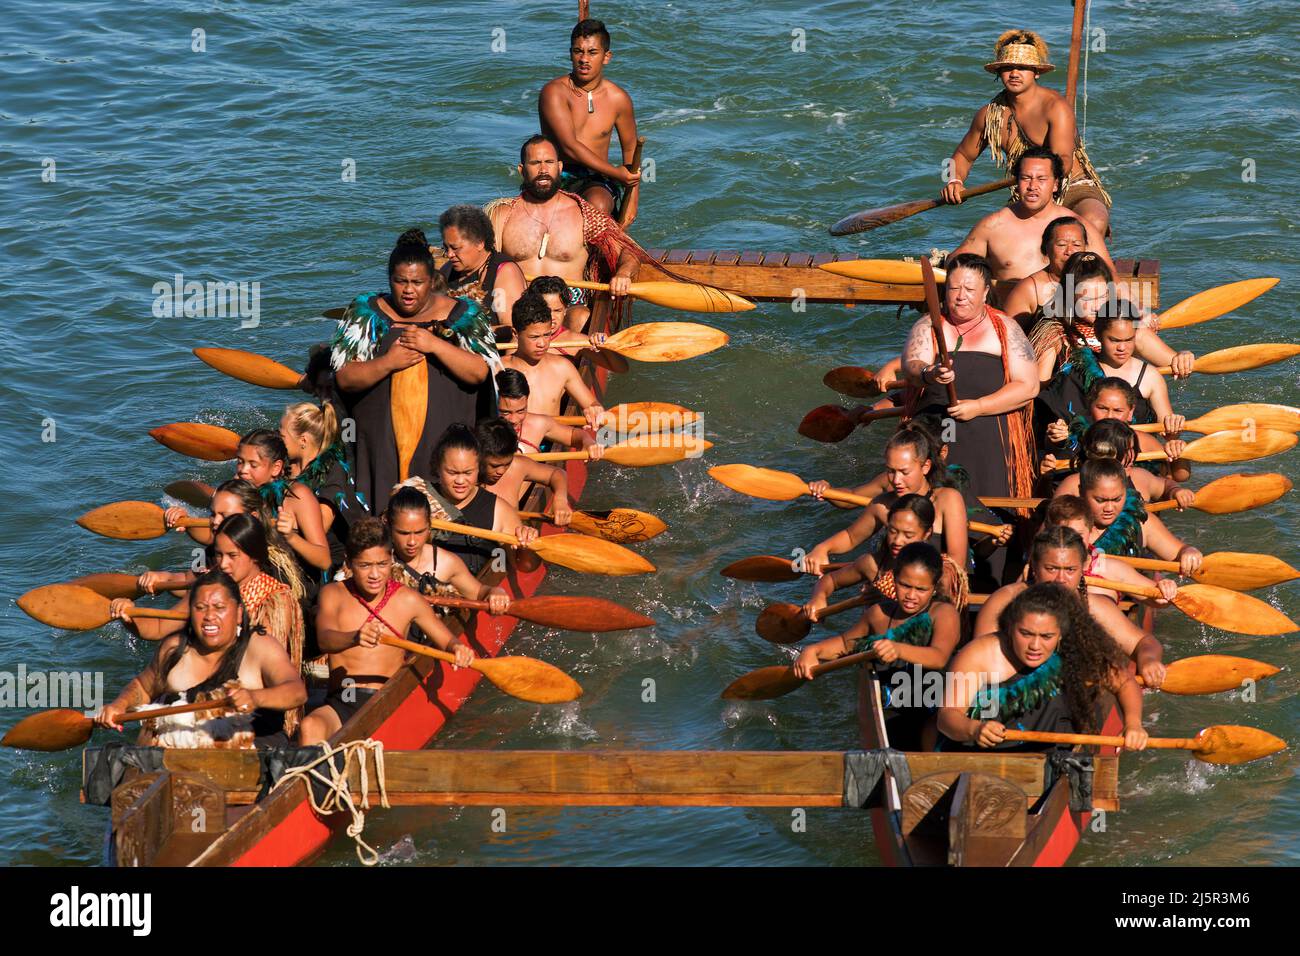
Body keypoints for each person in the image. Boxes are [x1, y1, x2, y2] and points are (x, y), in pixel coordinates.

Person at [330, 228, 497, 511]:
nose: (408, 290)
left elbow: (480, 372)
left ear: (432, 281)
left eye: (417, 282)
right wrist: (388, 363)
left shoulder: (463, 316)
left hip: (443, 447)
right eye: (400, 281)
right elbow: (345, 378)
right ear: (389, 280)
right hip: (378, 446)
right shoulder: (365, 314)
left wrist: (435, 345)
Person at [110, 516, 309, 735]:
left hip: (252, 721)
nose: (223, 564)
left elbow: (292, 688)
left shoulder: (275, 605)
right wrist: (128, 618)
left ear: (255, 556)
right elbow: (158, 628)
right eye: (218, 555)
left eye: (232, 556)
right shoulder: (206, 590)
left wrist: (252, 696)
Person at [301, 517, 475, 745]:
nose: (375, 575)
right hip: (344, 700)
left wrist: (458, 649)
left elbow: (447, 640)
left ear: (391, 559)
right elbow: (324, 640)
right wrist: (355, 637)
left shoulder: (409, 599)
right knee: (309, 726)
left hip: (387, 703)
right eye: (365, 566)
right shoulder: (333, 594)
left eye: (382, 564)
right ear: (349, 563)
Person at [95, 570, 306, 750]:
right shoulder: (174, 648)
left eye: (219, 608)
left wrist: (255, 698)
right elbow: (143, 687)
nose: (209, 616)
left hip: (248, 756)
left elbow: (297, 692)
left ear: (239, 612)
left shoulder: (260, 646)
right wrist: (119, 706)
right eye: (200, 608)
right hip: (175, 762)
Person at [938, 583, 1148, 752]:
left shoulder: (1076, 651)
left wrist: (1133, 724)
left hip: (1051, 759)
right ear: (1010, 627)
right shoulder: (978, 654)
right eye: (1026, 634)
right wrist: (973, 729)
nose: (1035, 646)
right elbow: (948, 716)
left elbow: (1126, 683)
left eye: (1046, 637)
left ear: (1060, 634)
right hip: (978, 758)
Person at [942, 30, 1112, 237]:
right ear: (998, 72)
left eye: (1022, 67)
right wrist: (954, 181)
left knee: (1094, 220)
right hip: (1027, 195)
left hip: (1072, 187)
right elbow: (962, 156)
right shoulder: (989, 116)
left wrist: (1035, 182)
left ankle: (1078, 266)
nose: (1014, 73)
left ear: (1036, 72)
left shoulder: (1055, 106)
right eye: (1008, 68)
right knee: (995, 238)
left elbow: (1063, 163)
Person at [901, 253, 1039, 505]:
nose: (961, 295)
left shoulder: (1006, 328)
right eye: (954, 288)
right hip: (937, 432)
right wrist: (929, 373)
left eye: (969, 289)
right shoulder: (928, 326)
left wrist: (979, 407)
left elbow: (1028, 386)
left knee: (992, 509)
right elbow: (911, 366)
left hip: (991, 432)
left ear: (986, 291)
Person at [794, 543, 961, 751]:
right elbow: (846, 644)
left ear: (934, 588)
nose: (911, 595)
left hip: (933, 711)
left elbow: (939, 657)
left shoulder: (944, 614)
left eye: (921, 589)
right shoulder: (878, 614)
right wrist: (813, 651)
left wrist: (898, 649)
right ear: (893, 579)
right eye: (905, 585)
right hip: (893, 711)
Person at [972, 524, 1168, 688]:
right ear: (1034, 566)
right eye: (1051, 569)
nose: (1060, 579)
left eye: (1070, 570)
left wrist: (1148, 660)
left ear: (1082, 569)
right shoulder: (1005, 600)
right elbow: (978, 662)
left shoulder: (1093, 606)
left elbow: (1144, 642)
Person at [487, 135, 642, 317]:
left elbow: (629, 250)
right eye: (535, 163)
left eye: (549, 162)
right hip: (519, 307)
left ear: (560, 167)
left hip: (570, 307)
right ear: (522, 170)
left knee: (580, 316)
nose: (543, 169)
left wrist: (623, 274)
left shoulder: (584, 214)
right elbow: (482, 264)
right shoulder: (502, 214)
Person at [803, 426, 969, 583]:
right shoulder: (882, 504)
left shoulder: (948, 500)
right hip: (895, 591)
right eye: (890, 471)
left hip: (934, 594)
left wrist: (913, 591)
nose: (896, 481)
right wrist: (822, 548)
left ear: (925, 467)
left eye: (905, 472)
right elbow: (850, 536)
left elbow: (956, 564)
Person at [950, 146, 1113, 284]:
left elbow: (1111, 279)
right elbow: (955, 262)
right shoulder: (993, 226)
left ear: (1055, 184)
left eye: (1041, 179)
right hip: (1010, 315)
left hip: (1066, 316)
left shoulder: (1078, 227)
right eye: (1026, 178)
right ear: (1017, 183)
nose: (1033, 186)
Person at [395, 424, 539, 575]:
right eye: (452, 472)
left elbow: (526, 566)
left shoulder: (500, 511)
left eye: (468, 472)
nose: (460, 481)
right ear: (437, 467)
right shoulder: (414, 499)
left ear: (479, 469)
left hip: (475, 593)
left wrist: (526, 545)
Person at [802, 494, 969, 619]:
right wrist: (818, 598)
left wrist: (885, 599)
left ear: (927, 534)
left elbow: (936, 619)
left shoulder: (941, 572)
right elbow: (830, 580)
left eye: (908, 535)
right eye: (893, 531)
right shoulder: (873, 564)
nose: (897, 541)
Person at [1029, 254, 1193, 381]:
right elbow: (1040, 386)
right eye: (1087, 299)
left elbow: (1176, 365)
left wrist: (1184, 357)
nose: (1097, 306)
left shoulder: (1130, 329)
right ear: (1069, 297)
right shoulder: (1053, 332)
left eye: (1102, 296)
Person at [537, 18, 640, 219]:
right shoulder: (554, 92)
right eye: (578, 51)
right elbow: (569, 146)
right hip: (558, 175)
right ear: (570, 54)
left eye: (592, 52)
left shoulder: (619, 99)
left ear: (606, 57)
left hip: (598, 180)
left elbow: (631, 151)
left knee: (599, 202)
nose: (584, 59)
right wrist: (617, 173)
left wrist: (632, 198)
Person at [383, 487, 510, 616]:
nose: (412, 542)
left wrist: (495, 592)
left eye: (419, 532)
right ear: (389, 528)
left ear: (429, 528)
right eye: (403, 533)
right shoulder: (378, 562)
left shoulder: (447, 563)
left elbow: (479, 592)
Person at [1041, 381, 1190, 487]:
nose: (1109, 416)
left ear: (1130, 412)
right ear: (1090, 406)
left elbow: (1179, 476)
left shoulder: (1144, 441)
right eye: (1102, 408)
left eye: (1118, 410)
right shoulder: (1074, 437)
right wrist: (1053, 444)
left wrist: (1175, 444)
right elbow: (1053, 452)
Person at [233, 429, 332, 585]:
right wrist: (186, 522)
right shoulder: (240, 494)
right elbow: (214, 536)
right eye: (240, 462)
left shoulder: (297, 496)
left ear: (276, 468)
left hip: (294, 587)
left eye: (253, 464)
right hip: (252, 582)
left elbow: (324, 560)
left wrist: (291, 537)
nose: (243, 470)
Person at [280, 400, 369, 572]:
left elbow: (320, 525)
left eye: (282, 436)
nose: (277, 439)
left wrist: (283, 524)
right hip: (293, 553)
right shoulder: (287, 468)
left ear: (303, 440)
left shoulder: (332, 471)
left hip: (329, 566)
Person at [1077, 458, 1202, 573]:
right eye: (1100, 500)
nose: (1109, 508)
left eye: (1117, 499)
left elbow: (1179, 552)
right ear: (1081, 492)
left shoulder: (1142, 523)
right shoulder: (1068, 526)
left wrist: (1189, 552)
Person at [502, 291, 605, 426]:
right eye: (534, 337)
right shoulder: (498, 368)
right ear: (515, 334)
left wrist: (595, 409)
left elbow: (592, 403)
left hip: (550, 440)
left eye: (547, 335)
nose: (542, 343)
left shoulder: (562, 367)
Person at [438, 204, 526, 328]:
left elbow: (510, 328)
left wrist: (460, 333)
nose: (449, 254)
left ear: (479, 243)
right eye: (446, 248)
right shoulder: (447, 270)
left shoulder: (504, 272)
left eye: (455, 248)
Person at [477, 417, 574, 523]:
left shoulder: (518, 465)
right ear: (478, 456)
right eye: (494, 466)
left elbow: (557, 473)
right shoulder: (464, 480)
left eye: (507, 464)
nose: (501, 471)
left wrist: (560, 500)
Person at [998, 215, 1086, 327]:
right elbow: (1006, 336)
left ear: (1085, 249)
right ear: (1046, 248)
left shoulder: (1099, 280)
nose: (1069, 251)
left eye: (1077, 245)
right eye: (1061, 245)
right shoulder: (1030, 289)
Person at [495, 367, 604, 457]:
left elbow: (573, 435)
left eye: (520, 411)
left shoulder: (538, 424)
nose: (514, 420)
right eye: (505, 413)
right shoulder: (481, 428)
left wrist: (588, 442)